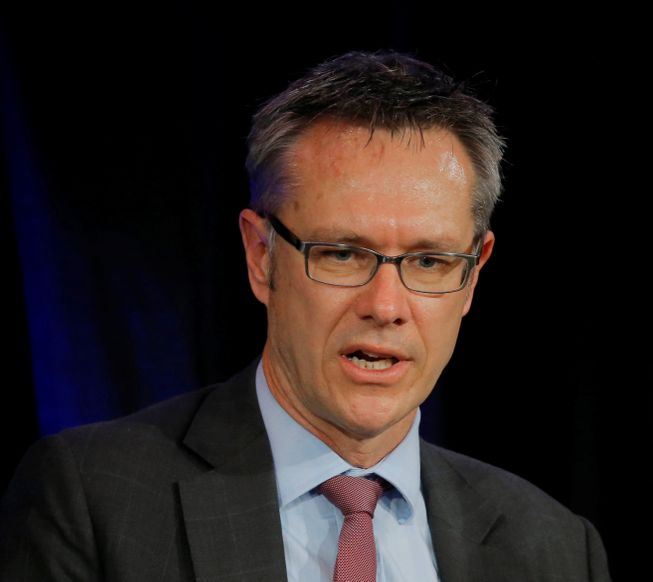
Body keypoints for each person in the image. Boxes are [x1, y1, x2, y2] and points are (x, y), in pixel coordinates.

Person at [0, 50, 611, 581]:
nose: (385, 307)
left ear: (473, 272)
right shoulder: (95, 499)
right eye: (343, 254)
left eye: (428, 261)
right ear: (261, 256)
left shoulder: (552, 547)